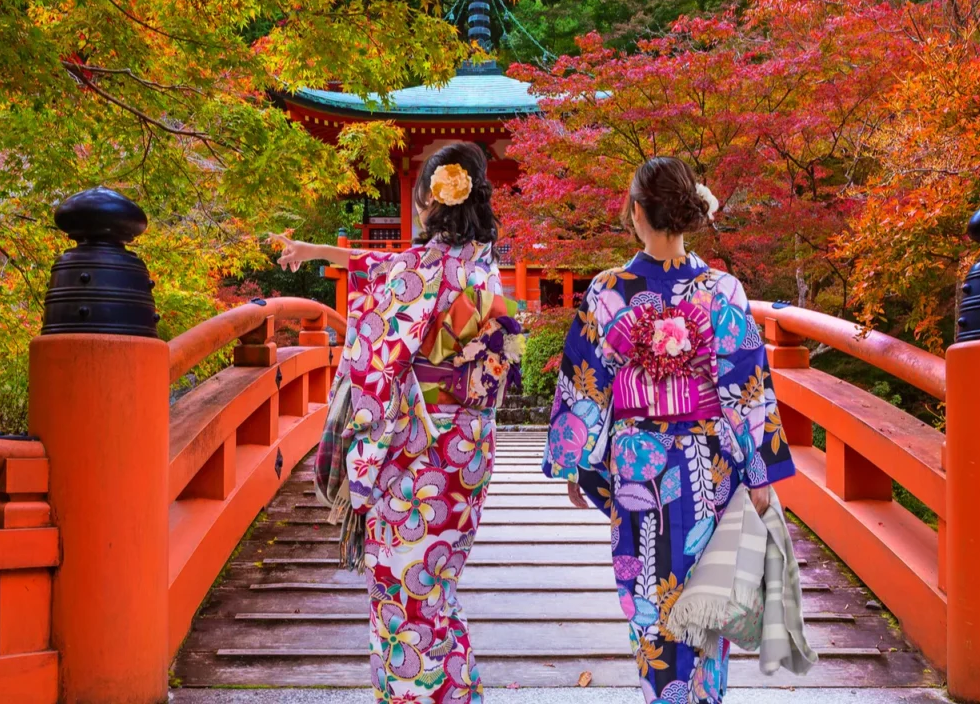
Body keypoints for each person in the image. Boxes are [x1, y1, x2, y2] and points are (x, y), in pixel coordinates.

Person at [273, 142, 523, 703]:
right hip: (470, 446)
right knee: (436, 585)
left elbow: (373, 358)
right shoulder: (486, 271)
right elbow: (505, 365)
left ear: (429, 203)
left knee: (402, 593)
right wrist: (313, 248)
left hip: (414, 444)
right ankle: (459, 693)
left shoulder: (415, 270)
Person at [542, 157, 797, 703]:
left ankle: (664, 695)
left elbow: (584, 384)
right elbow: (747, 388)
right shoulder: (723, 290)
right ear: (688, 211)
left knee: (651, 602)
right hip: (712, 463)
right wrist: (760, 476)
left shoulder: (609, 291)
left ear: (637, 212)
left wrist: (573, 463)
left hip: (639, 465)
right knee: (709, 594)